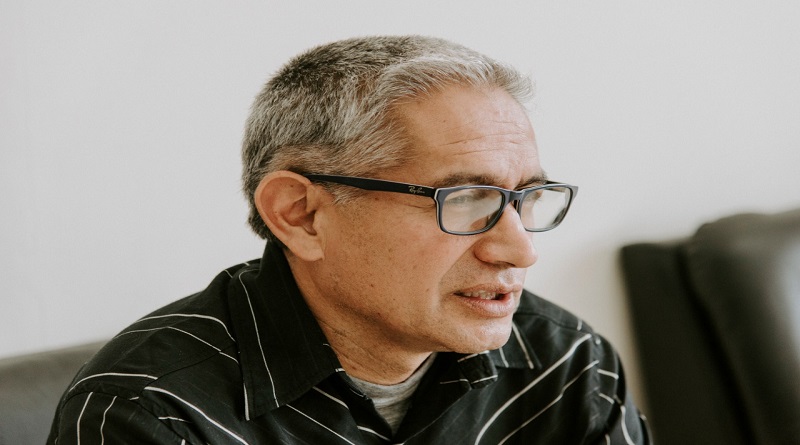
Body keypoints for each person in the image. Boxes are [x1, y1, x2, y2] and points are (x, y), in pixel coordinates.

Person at [48, 35, 650, 444]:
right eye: (465, 200)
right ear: (302, 215)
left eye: (526, 199)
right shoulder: (150, 414)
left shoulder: (565, 362)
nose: (519, 251)